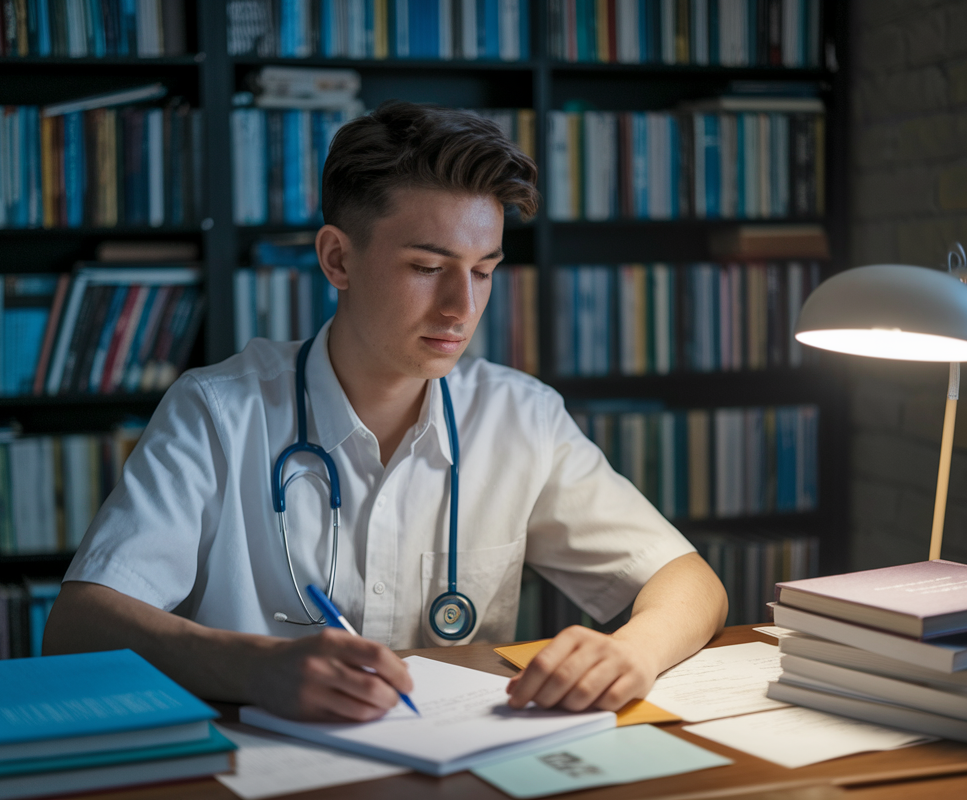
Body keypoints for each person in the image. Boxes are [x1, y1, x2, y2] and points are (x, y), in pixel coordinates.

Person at [42, 101, 728, 723]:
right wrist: (254, 666)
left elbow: (688, 582)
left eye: (483, 269)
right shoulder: (219, 411)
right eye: (428, 267)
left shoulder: (522, 417)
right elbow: (78, 626)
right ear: (338, 258)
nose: (462, 307)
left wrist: (632, 653)